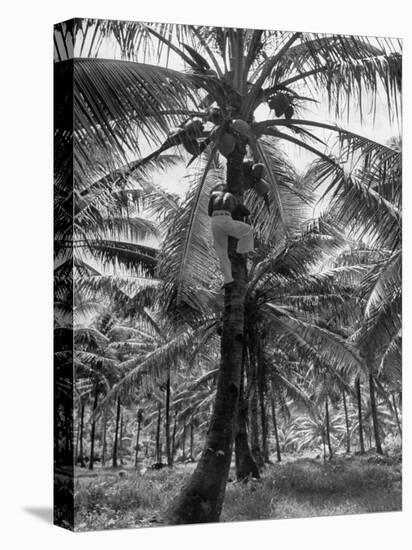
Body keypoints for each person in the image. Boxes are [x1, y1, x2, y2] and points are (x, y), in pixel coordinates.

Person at [208, 184, 254, 286]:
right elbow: (247, 212)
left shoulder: (213, 195)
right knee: (248, 230)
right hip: (227, 220)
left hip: (215, 222)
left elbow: (210, 212)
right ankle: (242, 250)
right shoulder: (232, 197)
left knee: (222, 253)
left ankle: (228, 279)